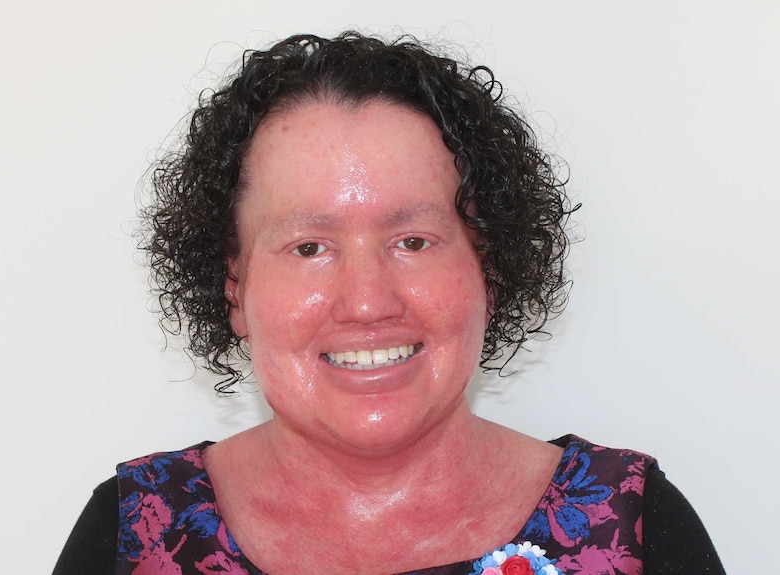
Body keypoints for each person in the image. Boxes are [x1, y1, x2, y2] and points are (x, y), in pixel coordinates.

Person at [53, 32, 724, 574]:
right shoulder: (129, 535)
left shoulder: (636, 528)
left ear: (487, 269)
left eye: (413, 239)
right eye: (310, 247)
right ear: (235, 289)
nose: (368, 301)